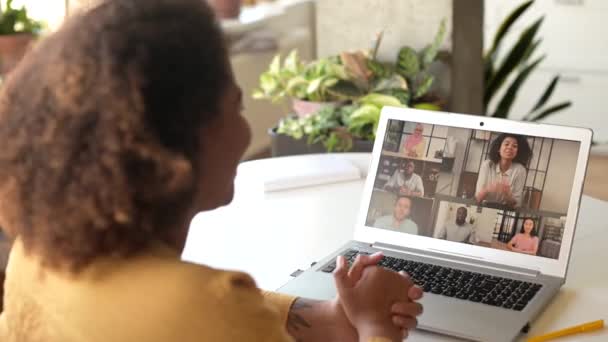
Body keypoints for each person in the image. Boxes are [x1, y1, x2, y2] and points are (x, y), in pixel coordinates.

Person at [0, 1, 424, 341]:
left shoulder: (34, 254)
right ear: (178, 143)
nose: (245, 133)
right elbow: (210, 315)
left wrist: (332, 316)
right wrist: (375, 328)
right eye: (236, 108)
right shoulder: (198, 308)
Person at [475, 133, 532, 208]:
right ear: (499, 148)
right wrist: (488, 188)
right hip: (484, 207)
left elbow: (516, 205)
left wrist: (507, 194)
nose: (510, 148)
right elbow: (478, 199)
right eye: (506, 144)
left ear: (518, 152)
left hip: (505, 210)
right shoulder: (487, 165)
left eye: (514, 146)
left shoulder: (520, 170)